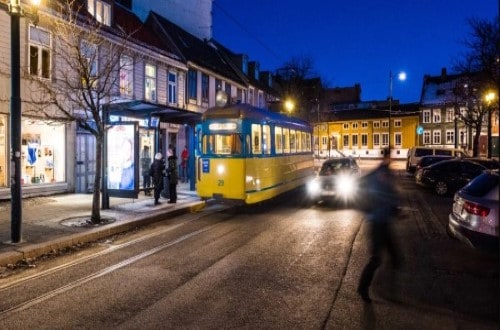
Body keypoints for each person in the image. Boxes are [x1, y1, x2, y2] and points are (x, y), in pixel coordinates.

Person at [357, 148, 402, 303]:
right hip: (377, 222)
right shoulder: (381, 174)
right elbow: (386, 195)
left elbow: (391, 195)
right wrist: (394, 208)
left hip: (383, 221)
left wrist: (395, 209)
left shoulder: (384, 173)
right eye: (391, 156)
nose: (393, 159)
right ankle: (364, 288)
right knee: (376, 259)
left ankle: (388, 289)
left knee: (395, 257)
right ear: (387, 157)